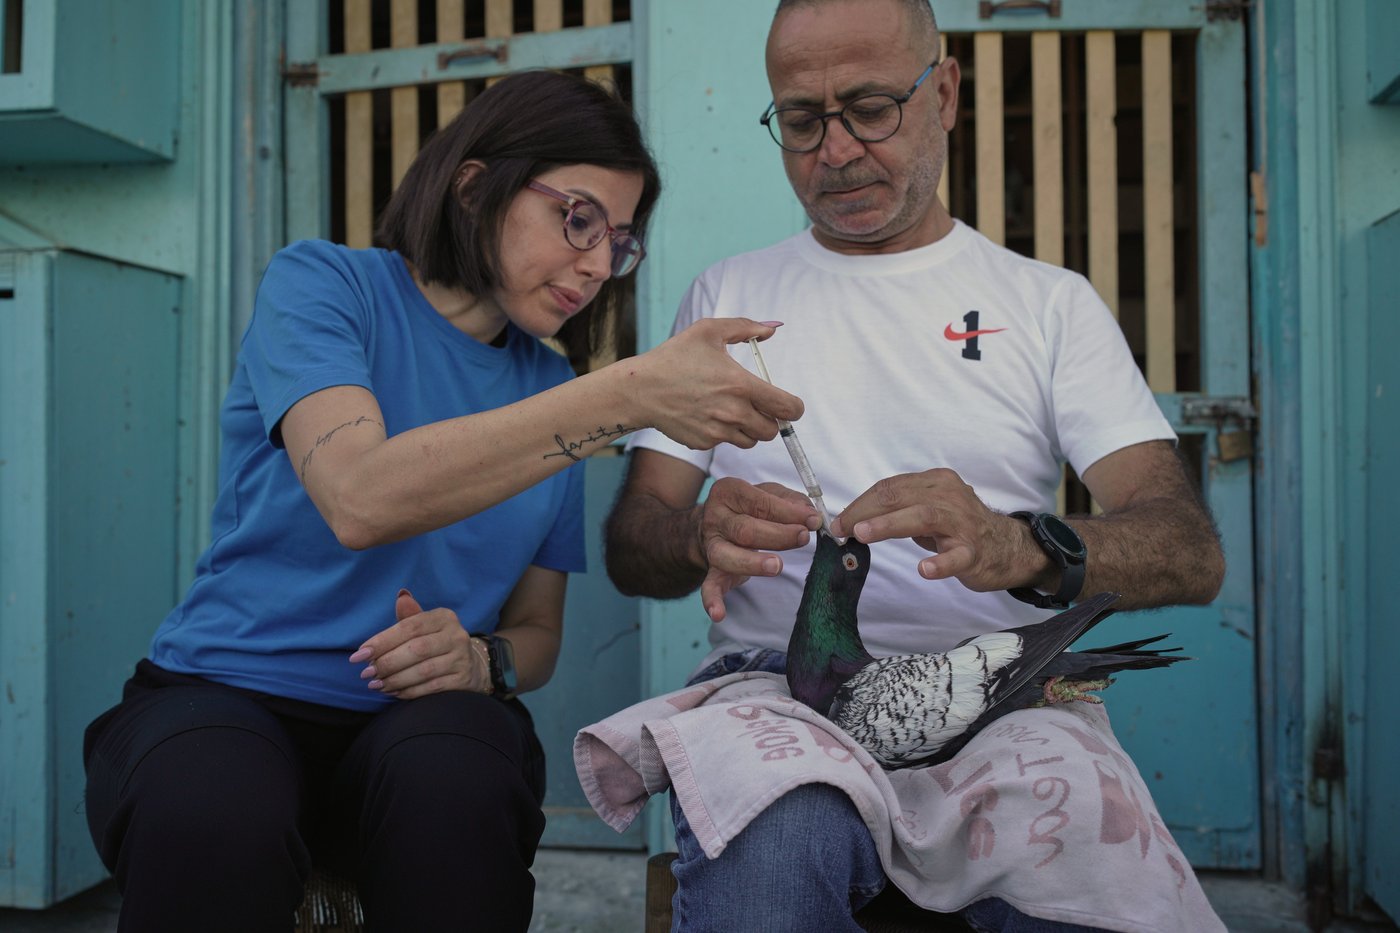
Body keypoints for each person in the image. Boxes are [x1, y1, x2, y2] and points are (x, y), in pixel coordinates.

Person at [82, 69, 801, 933]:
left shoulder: (550, 387)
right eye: (578, 219)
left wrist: (482, 661)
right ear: (474, 186)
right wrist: (631, 391)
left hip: (413, 731)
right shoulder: (325, 287)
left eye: (620, 241)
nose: (599, 263)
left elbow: (536, 632)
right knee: (212, 808)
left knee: (459, 777)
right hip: (225, 697)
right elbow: (358, 496)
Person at [603, 1, 1227, 931]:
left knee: (1091, 870)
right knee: (770, 867)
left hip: (1010, 697)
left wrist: (1019, 548)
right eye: (803, 121)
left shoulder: (1049, 305)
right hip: (781, 694)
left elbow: (1189, 551)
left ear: (944, 93)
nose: (836, 151)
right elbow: (630, 546)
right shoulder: (727, 298)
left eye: (870, 107)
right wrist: (698, 531)